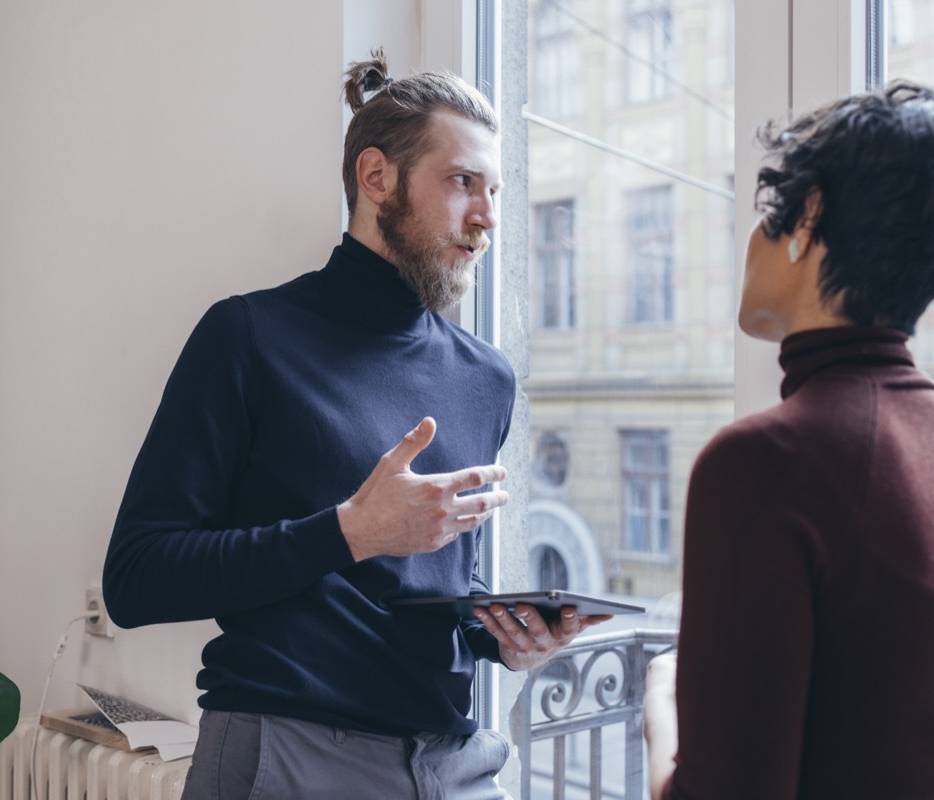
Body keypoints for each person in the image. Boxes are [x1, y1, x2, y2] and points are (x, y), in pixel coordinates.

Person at [102, 48, 608, 799]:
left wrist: (502, 637)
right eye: (463, 181)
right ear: (377, 178)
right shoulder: (247, 337)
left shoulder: (485, 379)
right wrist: (347, 531)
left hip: (455, 761)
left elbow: (424, 584)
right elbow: (136, 580)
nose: (488, 216)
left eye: (496, 189)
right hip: (290, 752)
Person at [641, 80, 934, 799]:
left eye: (770, 210)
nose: (753, 238)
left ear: (811, 215)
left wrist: (659, 714)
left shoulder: (763, 463)